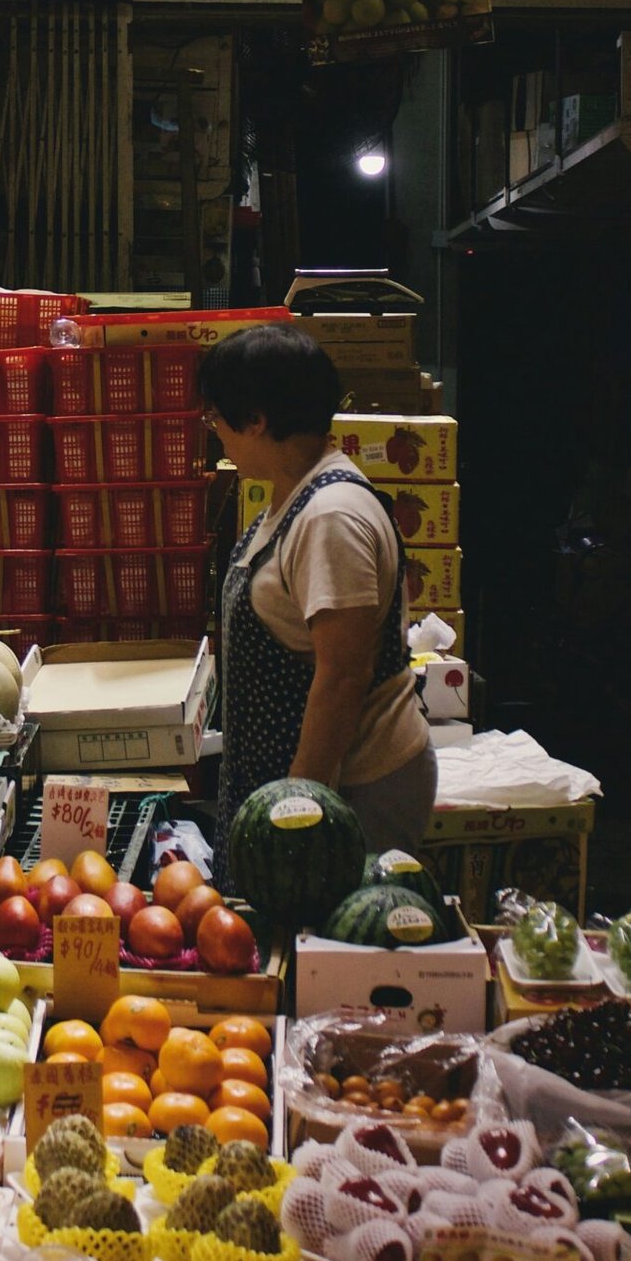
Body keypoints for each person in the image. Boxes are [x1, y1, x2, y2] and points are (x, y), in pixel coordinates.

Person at [199, 322, 437, 875]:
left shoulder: (332, 517)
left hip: (353, 791)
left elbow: (344, 674)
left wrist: (298, 810)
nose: (216, 435)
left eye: (216, 419)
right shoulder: (294, 496)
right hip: (296, 780)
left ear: (256, 419)